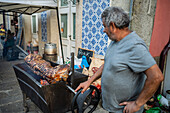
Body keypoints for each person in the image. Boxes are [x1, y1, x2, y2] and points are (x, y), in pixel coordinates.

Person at [75, 7, 164, 113]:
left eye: (104, 26)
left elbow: (156, 77)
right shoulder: (114, 41)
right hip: (113, 108)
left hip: (125, 110)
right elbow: (107, 64)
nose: (103, 30)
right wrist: (89, 81)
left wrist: (137, 104)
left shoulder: (135, 46)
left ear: (112, 25)